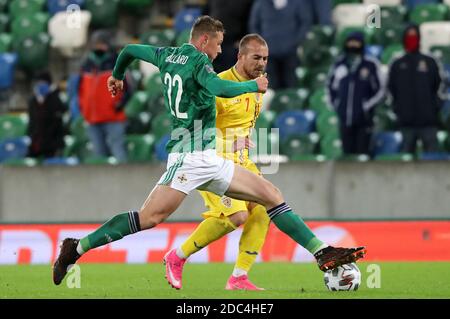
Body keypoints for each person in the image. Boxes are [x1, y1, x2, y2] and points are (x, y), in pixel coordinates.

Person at [53, 16, 366, 288]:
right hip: (189, 156)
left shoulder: (166, 54)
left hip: (210, 158)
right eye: (217, 45)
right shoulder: (199, 62)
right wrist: (252, 86)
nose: (219, 51)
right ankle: (77, 247)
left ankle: (321, 251)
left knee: (270, 194)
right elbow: (218, 88)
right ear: (203, 41)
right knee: (149, 217)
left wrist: (117, 75)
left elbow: (130, 50)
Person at [170, 34, 270, 291]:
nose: (261, 63)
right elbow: (196, 132)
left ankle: (239, 277)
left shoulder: (258, 86)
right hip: (210, 160)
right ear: (240, 56)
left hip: (241, 162)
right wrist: (228, 144)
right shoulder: (219, 87)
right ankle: (177, 256)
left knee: (262, 208)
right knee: (236, 216)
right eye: (256, 57)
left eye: (265, 58)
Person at [388, 24, 444, 154]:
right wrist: (398, 109)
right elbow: (391, 89)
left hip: (428, 121)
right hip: (406, 122)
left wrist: (435, 106)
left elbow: (440, 85)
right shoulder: (396, 64)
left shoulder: (430, 62)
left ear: (419, 38)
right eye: (408, 36)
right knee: (406, 161)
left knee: (432, 160)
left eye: (414, 36)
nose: (411, 39)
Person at [326, 32, 384, 156]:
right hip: (344, 118)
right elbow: (330, 87)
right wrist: (336, 105)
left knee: (363, 152)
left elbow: (380, 89)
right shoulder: (339, 65)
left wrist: (366, 106)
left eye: (356, 42)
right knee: (347, 154)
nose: (353, 45)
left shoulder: (371, 64)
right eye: (350, 42)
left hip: (364, 118)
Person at [78, 30, 129, 162]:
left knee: (118, 152)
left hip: (113, 116)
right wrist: (83, 109)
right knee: (98, 155)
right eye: (97, 44)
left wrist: (119, 104)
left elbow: (128, 88)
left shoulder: (117, 62)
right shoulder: (87, 64)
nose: (99, 47)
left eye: (102, 44)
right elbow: (80, 89)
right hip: (92, 117)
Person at [249, 0, 309, 90]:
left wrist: (296, 41)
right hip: (269, 55)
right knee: (271, 87)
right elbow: (254, 25)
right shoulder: (261, 4)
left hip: (290, 52)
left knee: (291, 85)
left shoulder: (297, 3)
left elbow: (305, 22)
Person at [204, 0, 254, 73]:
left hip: (232, 41)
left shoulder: (246, 2)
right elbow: (205, 13)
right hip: (212, 40)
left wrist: (242, 39)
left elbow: (249, 20)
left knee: (229, 72)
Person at [27, 71, 67, 159]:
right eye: (38, 82)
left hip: (53, 142)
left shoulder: (56, 97)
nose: (40, 85)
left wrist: (53, 94)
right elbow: (32, 121)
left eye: (42, 82)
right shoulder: (33, 100)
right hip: (37, 142)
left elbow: (62, 110)